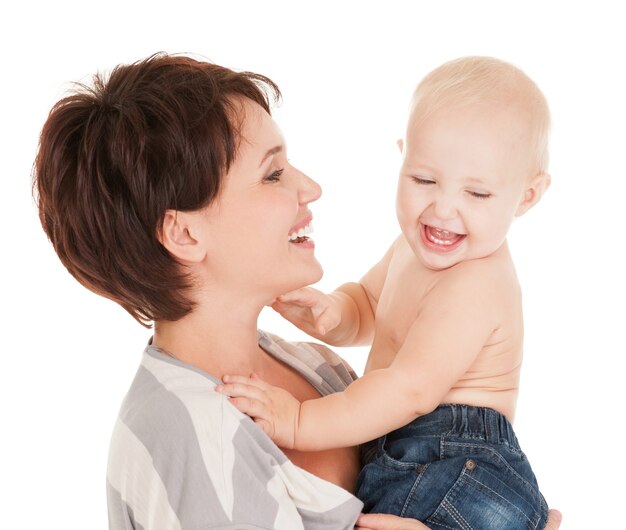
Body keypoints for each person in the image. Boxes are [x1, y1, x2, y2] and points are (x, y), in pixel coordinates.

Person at [34, 52, 462, 530]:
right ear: (185, 235)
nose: (311, 188)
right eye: (272, 174)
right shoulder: (184, 436)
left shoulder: (316, 366)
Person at [218, 56, 554, 529]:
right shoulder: (414, 249)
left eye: (477, 194)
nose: (443, 208)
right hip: (411, 447)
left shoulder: (476, 282)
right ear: (403, 156)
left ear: (526, 196)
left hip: (458, 463)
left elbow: (409, 390)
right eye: (424, 180)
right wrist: (335, 312)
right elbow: (371, 304)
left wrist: (298, 422)